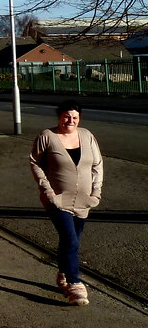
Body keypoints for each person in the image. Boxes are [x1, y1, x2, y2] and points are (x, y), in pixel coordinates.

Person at [29, 101, 104, 306]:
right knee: (70, 239)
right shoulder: (47, 136)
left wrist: (96, 192)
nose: (70, 121)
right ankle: (74, 284)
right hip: (57, 200)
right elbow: (35, 162)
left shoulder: (87, 136)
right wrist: (47, 189)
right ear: (59, 117)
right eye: (66, 116)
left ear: (79, 118)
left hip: (84, 200)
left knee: (71, 241)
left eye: (75, 117)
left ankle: (62, 273)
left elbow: (97, 165)